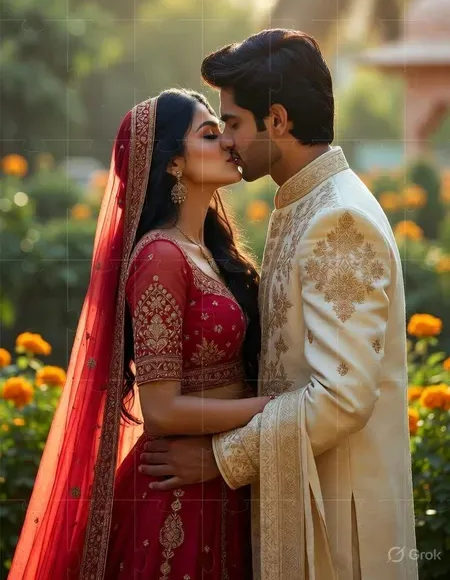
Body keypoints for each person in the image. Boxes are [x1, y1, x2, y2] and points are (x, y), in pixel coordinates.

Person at [138, 30, 418, 580]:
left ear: (279, 121)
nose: (228, 142)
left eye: (235, 124)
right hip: (302, 496)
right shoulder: (303, 204)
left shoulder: (338, 218)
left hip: (340, 519)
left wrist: (218, 460)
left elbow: (341, 399)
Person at [9, 88, 273, 580]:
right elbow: (161, 409)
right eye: (210, 135)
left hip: (220, 478)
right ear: (173, 164)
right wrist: (274, 408)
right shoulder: (160, 258)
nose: (229, 144)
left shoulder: (208, 251)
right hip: (177, 499)